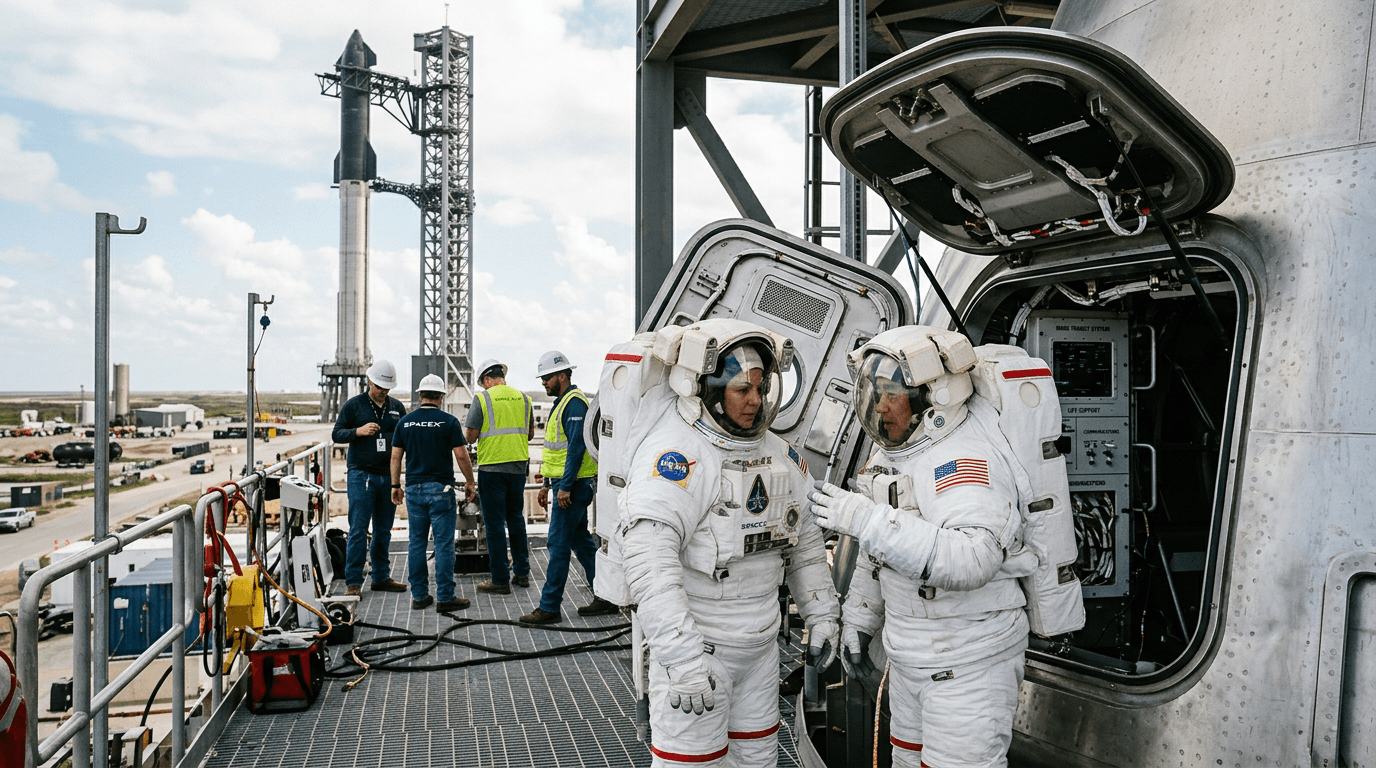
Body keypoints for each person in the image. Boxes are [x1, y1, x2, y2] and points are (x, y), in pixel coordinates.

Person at [619, 319, 839, 767]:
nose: (755, 400)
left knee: (758, 758)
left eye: (761, 388)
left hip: (759, 650)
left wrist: (822, 615)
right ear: (711, 391)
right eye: (743, 389)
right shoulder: (678, 455)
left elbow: (806, 545)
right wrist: (681, 660)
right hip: (701, 649)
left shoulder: (780, 453)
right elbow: (649, 564)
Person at [807, 326, 1031, 768]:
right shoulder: (898, 454)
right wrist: (859, 620)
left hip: (968, 665)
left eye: (892, 393)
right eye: (875, 392)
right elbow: (882, 554)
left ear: (933, 398)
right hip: (911, 659)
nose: (880, 405)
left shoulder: (964, 459)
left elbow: (973, 559)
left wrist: (865, 518)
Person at [520, 351, 618, 624]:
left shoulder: (574, 405)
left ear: (561, 376)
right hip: (568, 485)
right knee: (581, 541)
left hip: (574, 487)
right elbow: (558, 451)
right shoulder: (563, 403)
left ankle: (550, 606)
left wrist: (563, 488)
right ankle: (607, 596)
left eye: (547, 378)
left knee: (558, 544)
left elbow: (576, 448)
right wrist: (548, 485)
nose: (543, 383)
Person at [390, 373, 478, 612]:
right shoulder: (448, 421)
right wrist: (470, 482)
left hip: (415, 490)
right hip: (441, 490)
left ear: (420, 395)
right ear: (441, 396)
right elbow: (461, 454)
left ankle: (419, 596)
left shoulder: (405, 422)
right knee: (443, 545)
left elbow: (396, 456)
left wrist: (395, 485)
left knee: (416, 543)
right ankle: (445, 597)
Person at [332, 359, 408, 597]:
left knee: (384, 529)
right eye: (379, 387)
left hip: (388, 474)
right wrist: (358, 432)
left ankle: (381, 577)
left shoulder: (397, 407)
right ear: (369, 381)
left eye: (387, 388)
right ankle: (353, 582)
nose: (383, 392)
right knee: (358, 529)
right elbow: (337, 434)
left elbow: (403, 439)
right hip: (361, 474)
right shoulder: (354, 406)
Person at [464, 359, 534, 595]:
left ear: (486, 380)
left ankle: (500, 579)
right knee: (515, 520)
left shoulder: (482, 399)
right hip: (518, 468)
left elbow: (470, 436)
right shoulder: (525, 399)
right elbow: (530, 433)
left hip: (492, 468)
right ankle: (522, 573)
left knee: (494, 525)